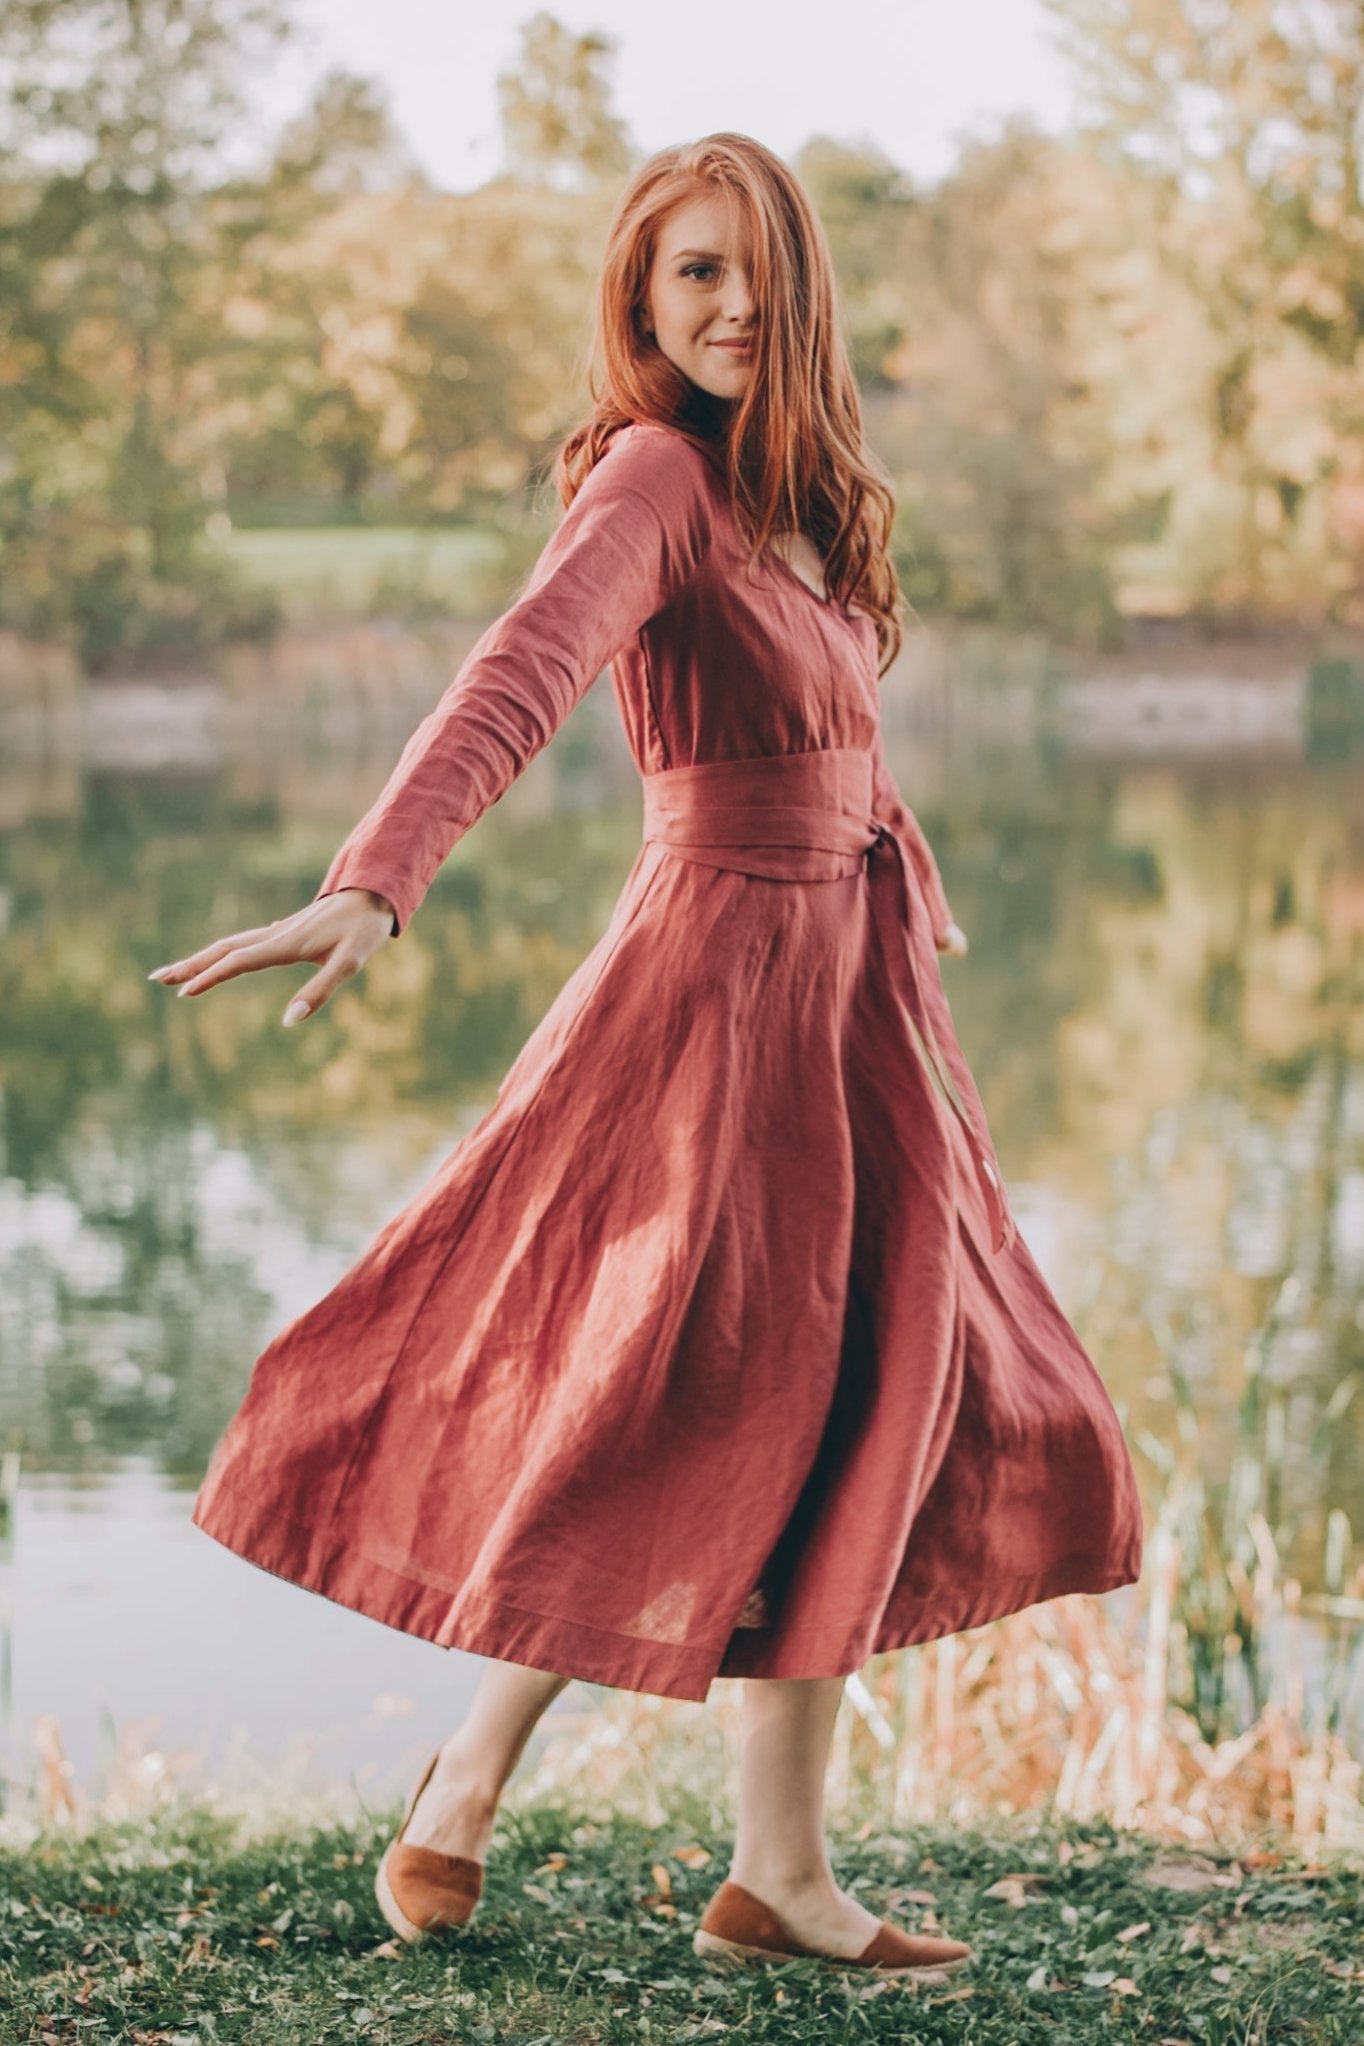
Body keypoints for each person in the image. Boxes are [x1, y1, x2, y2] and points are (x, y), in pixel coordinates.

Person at [148, 132, 1143, 1977]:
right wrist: (378, 879)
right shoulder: (654, 478)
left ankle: (779, 1876)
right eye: (693, 274)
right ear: (644, 298)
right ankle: (469, 1767)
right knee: (693, 1388)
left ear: (808, 288)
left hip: (853, 991)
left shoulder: (804, 499)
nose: (734, 304)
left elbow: (819, 727)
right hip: (718, 992)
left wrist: (890, 873)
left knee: (871, 1386)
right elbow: (520, 668)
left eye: (758, 269)